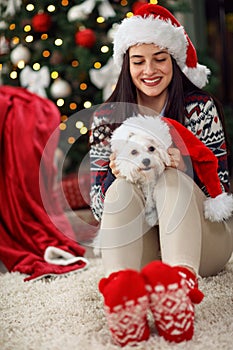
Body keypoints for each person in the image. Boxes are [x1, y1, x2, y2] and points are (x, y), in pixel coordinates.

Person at [89, 2, 233, 347]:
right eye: (138, 61)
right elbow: (99, 209)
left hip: (205, 241)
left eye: (160, 59)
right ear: (126, 66)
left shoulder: (199, 107)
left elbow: (222, 186)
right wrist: (118, 174)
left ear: (174, 61)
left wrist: (183, 165)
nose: (149, 70)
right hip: (145, 246)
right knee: (121, 189)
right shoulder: (106, 119)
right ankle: (123, 300)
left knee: (171, 179)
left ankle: (179, 289)